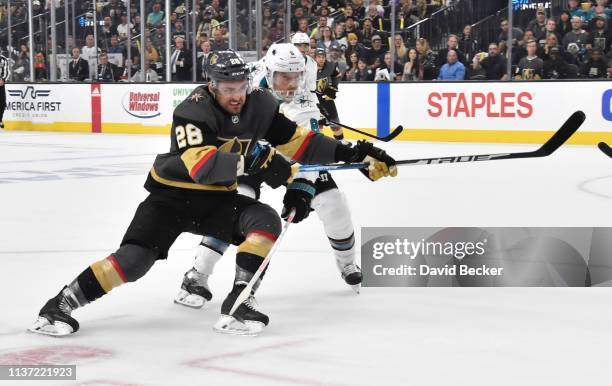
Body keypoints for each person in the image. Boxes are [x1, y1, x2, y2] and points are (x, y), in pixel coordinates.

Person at [29, 49, 398, 337]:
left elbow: (300, 143)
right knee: (134, 261)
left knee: (264, 220)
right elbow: (202, 167)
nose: (235, 96)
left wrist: (357, 152)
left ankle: (239, 302)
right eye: (227, 90)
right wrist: (258, 160)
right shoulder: (192, 111)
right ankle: (59, 304)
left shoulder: (262, 105)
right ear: (212, 85)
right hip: (171, 196)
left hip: (216, 200)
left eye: (240, 89)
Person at [174, 45, 394, 313]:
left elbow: (310, 151)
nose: (293, 83)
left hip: (289, 157)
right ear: (268, 71)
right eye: (285, 77)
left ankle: (347, 262)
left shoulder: (305, 102)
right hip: (248, 155)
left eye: (297, 76)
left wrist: (302, 189)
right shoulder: (245, 85)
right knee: (236, 205)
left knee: (333, 202)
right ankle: (197, 274)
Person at [0, 52, 7, 128]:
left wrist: (3, 80)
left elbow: (7, 71)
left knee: (2, 103)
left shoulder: (3, 59)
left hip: (0, 84)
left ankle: (0, 119)